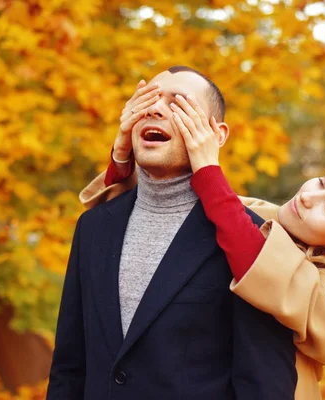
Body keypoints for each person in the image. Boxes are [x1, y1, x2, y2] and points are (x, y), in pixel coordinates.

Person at [80, 84, 325, 400]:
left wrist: (209, 168)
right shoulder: (261, 215)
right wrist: (124, 157)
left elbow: (264, 271)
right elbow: (145, 217)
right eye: (324, 182)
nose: (311, 196)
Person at [46, 66, 298, 400]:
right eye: (146, 100)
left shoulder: (251, 244)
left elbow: (265, 385)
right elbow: (69, 365)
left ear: (217, 135)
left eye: (178, 103)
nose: (153, 109)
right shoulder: (93, 226)